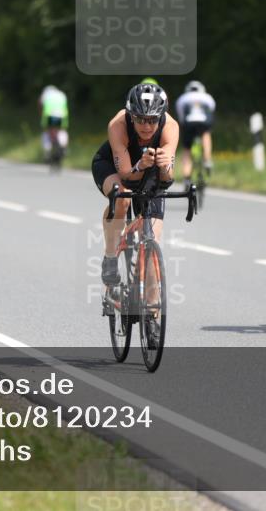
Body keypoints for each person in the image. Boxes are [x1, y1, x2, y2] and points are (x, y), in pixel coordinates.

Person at [91, 82, 179, 347]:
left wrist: (164, 167)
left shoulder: (171, 128)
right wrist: (141, 163)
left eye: (152, 120)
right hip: (115, 167)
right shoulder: (118, 125)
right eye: (140, 119)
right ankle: (109, 258)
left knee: (153, 236)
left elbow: (168, 178)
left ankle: (152, 314)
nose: (146, 126)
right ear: (130, 114)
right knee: (122, 201)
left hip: (150, 172)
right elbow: (128, 174)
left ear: (161, 116)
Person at [174, 80, 216, 184]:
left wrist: (183, 125)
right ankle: (207, 160)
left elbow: (181, 115)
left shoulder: (182, 98)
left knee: (187, 149)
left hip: (188, 123)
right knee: (206, 134)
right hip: (204, 122)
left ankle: (186, 178)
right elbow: (212, 109)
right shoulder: (207, 97)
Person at [39, 85, 69, 160]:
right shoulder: (62, 94)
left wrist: (41, 115)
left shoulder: (45, 94)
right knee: (62, 130)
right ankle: (63, 147)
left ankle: (47, 152)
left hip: (49, 114)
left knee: (47, 132)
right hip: (62, 115)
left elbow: (40, 104)